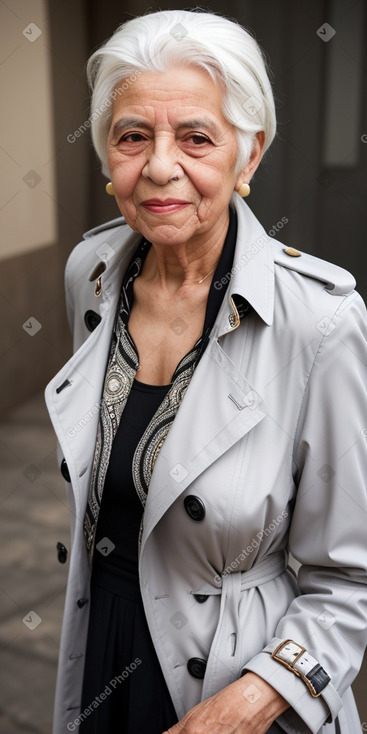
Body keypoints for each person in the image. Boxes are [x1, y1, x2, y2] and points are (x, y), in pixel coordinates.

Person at [45, 9, 367, 734]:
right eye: (132, 137)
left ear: (247, 157)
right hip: (102, 650)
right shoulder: (91, 273)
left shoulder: (319, 322)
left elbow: (352, 580)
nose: (159, 166)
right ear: (106, 157)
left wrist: (251, 701)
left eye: (195, 137)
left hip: (235, 682)